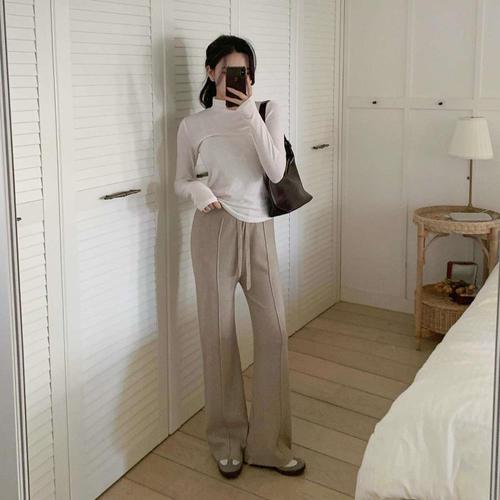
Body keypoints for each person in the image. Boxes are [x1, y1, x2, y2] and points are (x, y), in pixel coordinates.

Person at [174, 34, 305, 479]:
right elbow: (180, 180)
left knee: (275, 332)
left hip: (260, 230)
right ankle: (227, 439)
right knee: (218, 335)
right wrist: (196, 189)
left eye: (245, 71)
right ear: (211, 71)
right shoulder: (192, 125)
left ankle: (269, 444)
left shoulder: (266, 111)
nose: (238, 78)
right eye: (230, 70)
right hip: (213, 228)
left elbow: (275, 169)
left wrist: (248, 111)